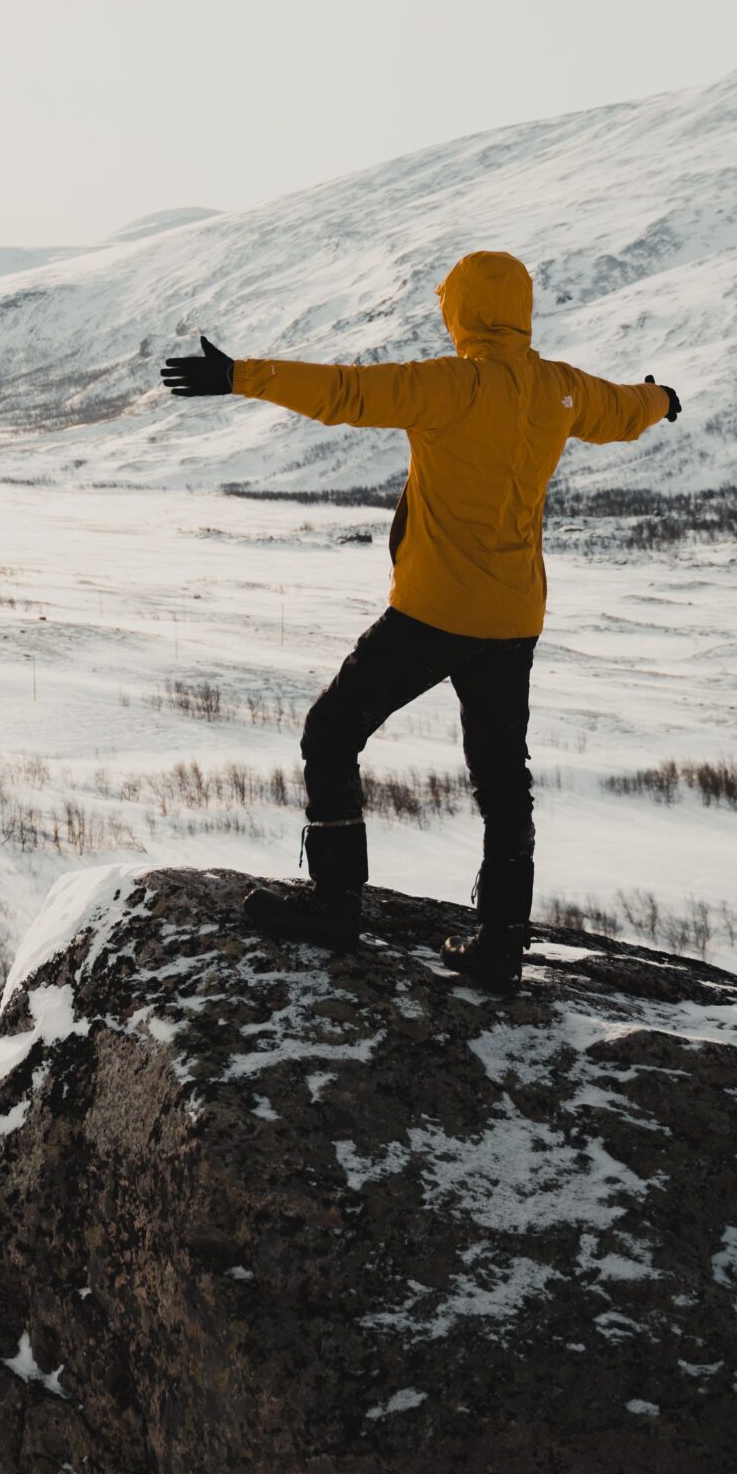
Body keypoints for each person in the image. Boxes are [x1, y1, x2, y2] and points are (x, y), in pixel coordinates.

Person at [160, 250, 679, 993]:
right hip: (513, 615)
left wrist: (240, 375)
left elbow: (342, 392)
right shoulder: (559, 388)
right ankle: (500, 944)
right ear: (522, 310)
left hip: (433, 611)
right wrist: (662, 398)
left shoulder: (449, 385)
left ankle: (338, 904)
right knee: (503, 781)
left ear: (459, 310)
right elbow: (627, 409)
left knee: (332, 733)